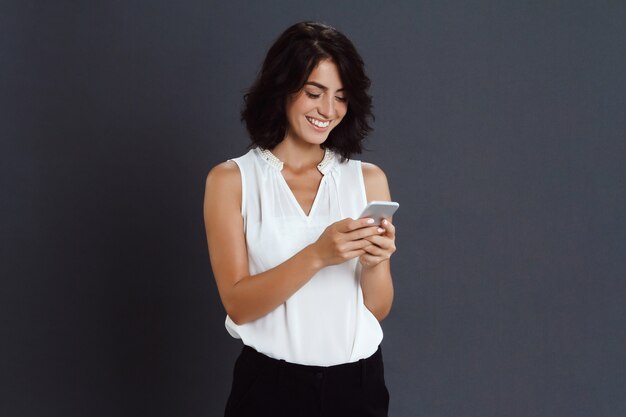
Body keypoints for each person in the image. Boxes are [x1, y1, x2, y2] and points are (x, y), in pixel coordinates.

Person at [203, 21, 397, 417]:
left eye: (341, 97)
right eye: (314, 93)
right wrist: (318, 254)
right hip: (270, 389)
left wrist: (374, 263)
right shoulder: (232, 180)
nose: (328, 111)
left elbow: (377, 307)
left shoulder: (368, 180)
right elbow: (238, 305)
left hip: (358, 387)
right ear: (282, 89)